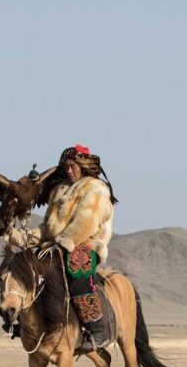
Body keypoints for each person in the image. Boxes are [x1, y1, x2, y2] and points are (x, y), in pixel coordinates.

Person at [7, 145, 117, 341]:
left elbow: (87, 222)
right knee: (24, 267)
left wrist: (64, 242)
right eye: (66, 167)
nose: (69, 170)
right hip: (57, 246)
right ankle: (25, 324)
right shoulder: (60, 190)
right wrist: (18, 236)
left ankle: (94, 328)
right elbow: (48, 228)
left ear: (83, 165)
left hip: (87, 244)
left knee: (77, 266)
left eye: (73, 166)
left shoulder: (96, 189)